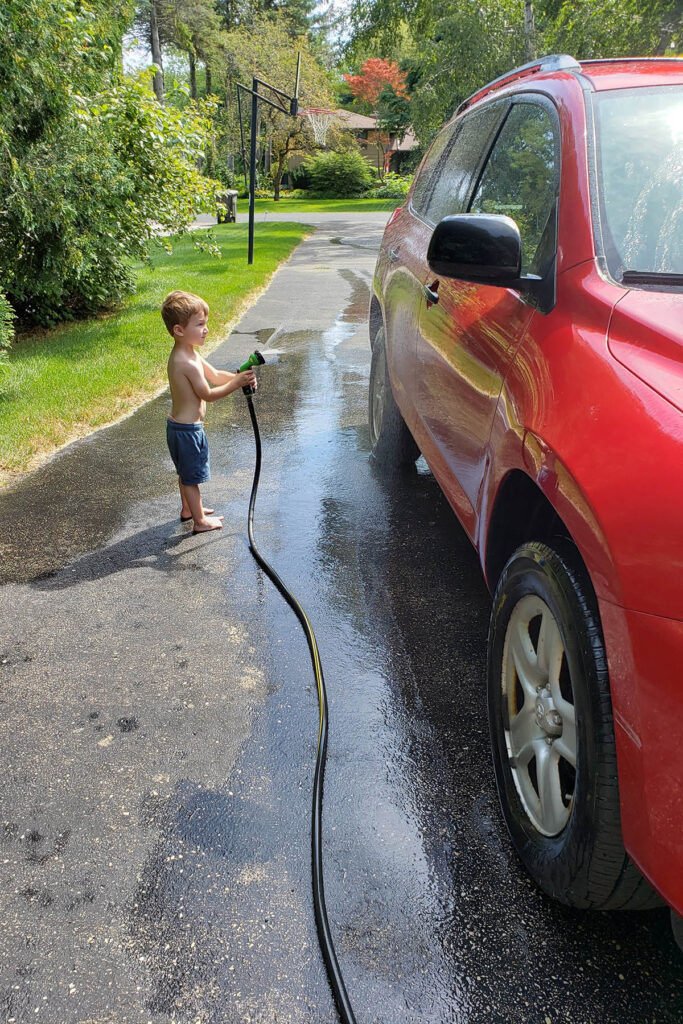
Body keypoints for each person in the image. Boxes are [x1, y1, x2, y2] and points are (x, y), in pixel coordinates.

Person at [161, 290, 256, 534]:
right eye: (200, 324)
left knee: (185, 473)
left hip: (179, 427)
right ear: (179, 330)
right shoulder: (186, 362)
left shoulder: (190, 353)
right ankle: (200, 521)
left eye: (206, 323)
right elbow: (208, 394)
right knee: (191, 478)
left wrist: (238, 378)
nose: (206, 329)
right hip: (187, 431)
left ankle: (189, 509)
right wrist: (236, 384)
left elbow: (214, 375)